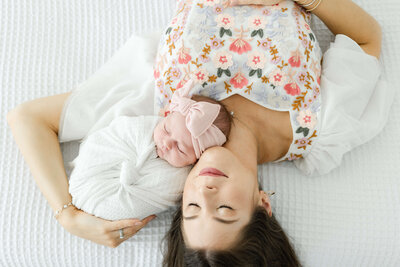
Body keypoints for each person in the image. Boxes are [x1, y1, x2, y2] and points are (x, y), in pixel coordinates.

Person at [6, 0, 391, 260]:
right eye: (224, 208)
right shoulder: (322, 130)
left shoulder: (158, 119)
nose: (205, 192)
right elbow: (367, 39)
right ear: (263, 205)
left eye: (191, 208)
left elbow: (28, 118)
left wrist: (68, 215)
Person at [68, 84, 232, 221]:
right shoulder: (144, 127)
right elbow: (113, 135)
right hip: (91, 175)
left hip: (103, 204)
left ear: (196, 160)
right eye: (166, 129)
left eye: (180, 148)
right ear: (166, 116)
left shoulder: (178, 180)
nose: (167, 143)